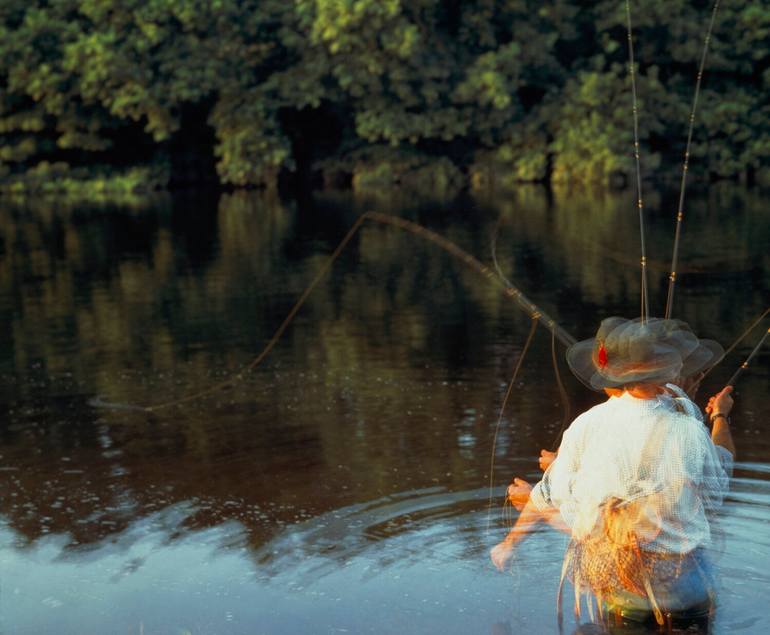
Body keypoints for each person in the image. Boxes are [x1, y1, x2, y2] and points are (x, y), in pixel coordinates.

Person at [490, 317, 735, 628]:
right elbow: (716, 488)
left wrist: (511, 539)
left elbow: (556, 499)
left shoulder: (587, 425)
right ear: (665, 367)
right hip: (686, 584)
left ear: (610, 373)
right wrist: (721, 417)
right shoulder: (688, 426)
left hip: (625, 587)